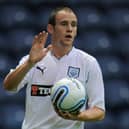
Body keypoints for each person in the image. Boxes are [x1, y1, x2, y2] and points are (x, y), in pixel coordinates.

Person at [3, 6, 105, 129]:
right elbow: (9, 87)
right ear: (51, 28)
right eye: (64, 24)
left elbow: (99, 111)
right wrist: (29, 63)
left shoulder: (88, 62)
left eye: (73, 25)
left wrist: (79, 116)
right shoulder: (32, 60)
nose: (69, 29)